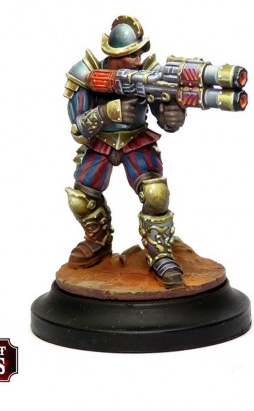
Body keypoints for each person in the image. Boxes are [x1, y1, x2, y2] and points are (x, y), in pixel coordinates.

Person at [63, 15, 186, 287]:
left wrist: (173, 115)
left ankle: (160, 254)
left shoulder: (150, 73)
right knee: (81, 198)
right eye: (131, 55)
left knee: (156, 193)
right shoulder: (87, 73)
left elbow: (165, 118)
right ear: (114, 54)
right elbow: (77, 128)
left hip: (136, 139)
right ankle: (98, 240)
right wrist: (108, 113)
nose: (138, 60)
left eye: (140, 53)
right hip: (99, 141)